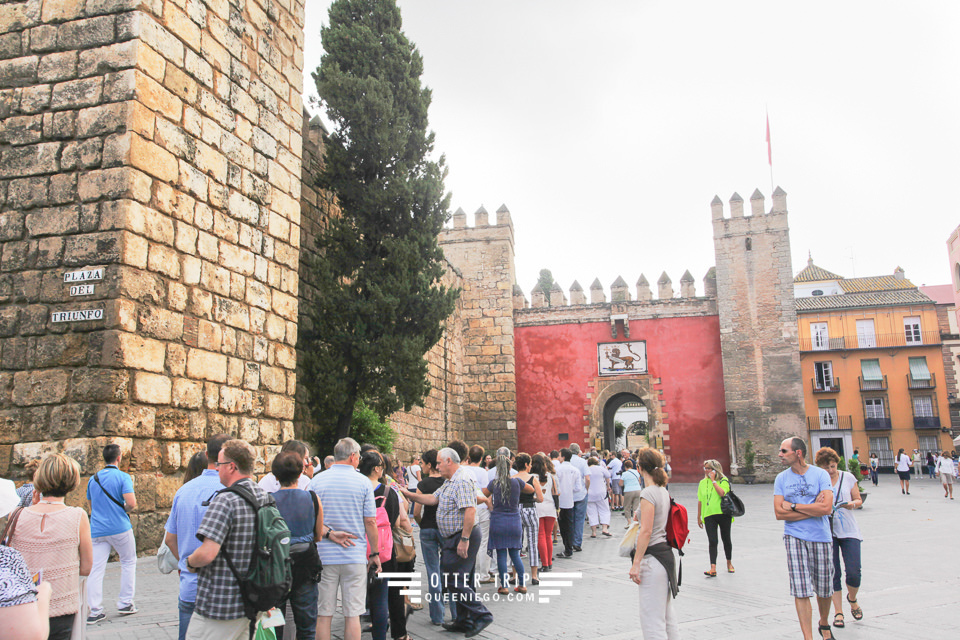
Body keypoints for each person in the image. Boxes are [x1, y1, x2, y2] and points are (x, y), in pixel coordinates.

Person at [399, 448, 493, 638]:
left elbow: (470, 511)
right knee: (452, 578)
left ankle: (481, 615)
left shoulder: (463, 479)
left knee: (455, 579)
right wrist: (408, 494)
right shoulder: (450, 480)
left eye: (439, 463)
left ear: (449, 461)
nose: (437, 466)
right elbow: (433, 499)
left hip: (462, 535)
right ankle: (462, 620)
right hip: (453, 536)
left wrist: (464, 539)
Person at [183, 439, 271, 639]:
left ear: (232, 467)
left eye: (219, 465)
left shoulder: (225, 500)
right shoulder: (264, 496)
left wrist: (189, 562)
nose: (217, 470)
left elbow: (207, 553)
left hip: (221, 603)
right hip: (253, 598)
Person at [9, 453, 93, 639]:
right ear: (72, 481)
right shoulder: (77, 517)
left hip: (22, 605)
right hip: (61, 606)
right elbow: (86, 568)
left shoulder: (16, 515)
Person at [307, 438, 377, 640]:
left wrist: (328, 533)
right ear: (353, 456)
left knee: (324, 614)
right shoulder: (363, 482)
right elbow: (370, 522)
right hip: (354, 554)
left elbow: (310, 517)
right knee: (352, 614)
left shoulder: (317, 480)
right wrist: (374, 552)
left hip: (324, 555)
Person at [164, 433, 230, 640]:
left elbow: (169, 539)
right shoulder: (232, 490)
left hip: (191, 585)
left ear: (205, 454)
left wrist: (187, 562)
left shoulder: (183, 491)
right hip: (225, 589)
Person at [774, 437, 835, 640]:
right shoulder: (781, 479)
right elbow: (778, 513)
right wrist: (813, 509)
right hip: (794, 536)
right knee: (801, 589)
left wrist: (793, 506)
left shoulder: (820, 475)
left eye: (784, 451)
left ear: (798, 453)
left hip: (821, 537)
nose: (780, 455)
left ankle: (824, 621)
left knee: (825, 588)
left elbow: (826, 508)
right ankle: (808, 637)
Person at [627, 448, 680, 640]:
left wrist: (636, 563)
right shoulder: (662, 491)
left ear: (639, 468)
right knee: (666, 615)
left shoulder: (648, 493)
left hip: (652, 558)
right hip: (664, 556)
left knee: (651, 619)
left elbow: (646, 531)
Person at [272, 451, 325, 640]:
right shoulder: (312, 498)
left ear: (275, 476)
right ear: (301, 472)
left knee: (273, 623)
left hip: (275, 567)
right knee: (307, 625)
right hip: (305, 566)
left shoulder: (267, 501)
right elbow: (318, 536)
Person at [86, 444, 138, 624]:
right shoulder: (123, 477)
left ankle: (95, 609)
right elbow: (131, 503)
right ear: (119, 457)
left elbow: (91, 506)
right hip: (120, 527)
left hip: (97, 530)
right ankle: (125, 603)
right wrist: (123, 509)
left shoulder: (93, 479)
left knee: (96, 569)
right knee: (128, 561)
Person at [814, 447, 863, 630]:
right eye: (826, 468)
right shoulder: (818, 481)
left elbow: (858, 499)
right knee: (834, 573)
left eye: (833, 467)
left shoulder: (848, 478)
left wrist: (852, 504)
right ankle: (838, 612)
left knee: (854, 572)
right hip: (827, 533)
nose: (830, 471)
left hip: (849, 531)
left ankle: (852, 598)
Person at [414, 449, 456, 625]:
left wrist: (422, 523)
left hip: (428, 529)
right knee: (450, 572)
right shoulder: (449, 481)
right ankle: (455, 614)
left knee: (432, 571)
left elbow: (416, 512)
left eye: (422, 463)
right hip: (446, 529)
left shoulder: (423, 485)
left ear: (429, 465)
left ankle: (437, 616)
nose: (421, 466)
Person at [482, 447, 532, 594]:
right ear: (511, 466)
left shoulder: (494, 483)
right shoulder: (517, 482)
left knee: (502, 556)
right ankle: (522, 585)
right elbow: (531, 489)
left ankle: (504, 586)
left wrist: (490, 504)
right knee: (515, 555)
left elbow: (483, 495)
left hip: (498, 520)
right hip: (514, 520)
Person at [696, 459, 734, 577]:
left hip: (723, 514)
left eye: (708, 468)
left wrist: (713, 481)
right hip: (708, 515)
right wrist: (699, 516)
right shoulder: (702, 483)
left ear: (715, 470)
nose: (706, 471)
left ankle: (729, 562)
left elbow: (722, 493)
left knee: (726, 539)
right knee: (712, 541)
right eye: (705, 468)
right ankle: (713, 567)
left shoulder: (724, 480)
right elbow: (700, 500)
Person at [464, 445, 494, 584]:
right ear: (482, 459)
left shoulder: (463, 470)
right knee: (484, 541)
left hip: (466, 507)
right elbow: (486, 491)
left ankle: (467, 572)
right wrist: (489, 505)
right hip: (481, 507)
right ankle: (483, 574)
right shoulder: (483, 472)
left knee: (466, 538)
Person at [512, 453, 543, 582]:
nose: (531, 466)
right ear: (526, 464)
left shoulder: (512, 478)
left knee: (515, 543)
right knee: (532, 542)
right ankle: (534, 575)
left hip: (515, 510)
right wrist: (534, 498)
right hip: (530, 509)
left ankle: (514, 574)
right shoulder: (533, 478)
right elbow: (540, 498)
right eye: (530, 464)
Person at [531, 453, 557, 574]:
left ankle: (545, 563)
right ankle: (549, 563)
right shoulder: (550, 476)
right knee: (548, 536)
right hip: (550, 507)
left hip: (537, 507)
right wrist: (557, 508)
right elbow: (555, 492)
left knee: (540, 535)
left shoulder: (531, 477)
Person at [554, 448, 581, 559]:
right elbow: (578, 488)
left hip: (560, 501)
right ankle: (569, 547)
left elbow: (555, 486)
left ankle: (567, 547)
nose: (558, 458)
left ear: (563, 457)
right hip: (570, 500)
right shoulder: (575, 470)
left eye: (560, 455)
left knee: (562, 526)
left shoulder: (557, 470)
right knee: (569, 525)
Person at [567, 443, 589, 552]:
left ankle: (569, 542)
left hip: (569, 495)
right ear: (578, 450)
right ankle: (577, 542)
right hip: (581, 493)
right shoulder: (582, 461)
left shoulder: (566, 462)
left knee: (570, 520)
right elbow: (587, 478)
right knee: (580, 519)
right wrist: (587, 489)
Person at [584, 456, 612, 538]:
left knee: (591, 512)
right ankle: (605, 529)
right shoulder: (601, 468)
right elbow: (608, 475)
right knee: (604, 510)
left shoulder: (587, 469)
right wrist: (608, 486)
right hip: (601, 492)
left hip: (590, 493)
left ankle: (594, 532)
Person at [621, 459, 643, 528]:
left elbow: (620, 483)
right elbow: (639, 481)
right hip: (637, 490)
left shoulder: (624, 474)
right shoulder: (636, 472)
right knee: (636, 507)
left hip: (628, 490)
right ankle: (635, 522)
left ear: (625, 467)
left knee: (627, 507)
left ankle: (629, 522)